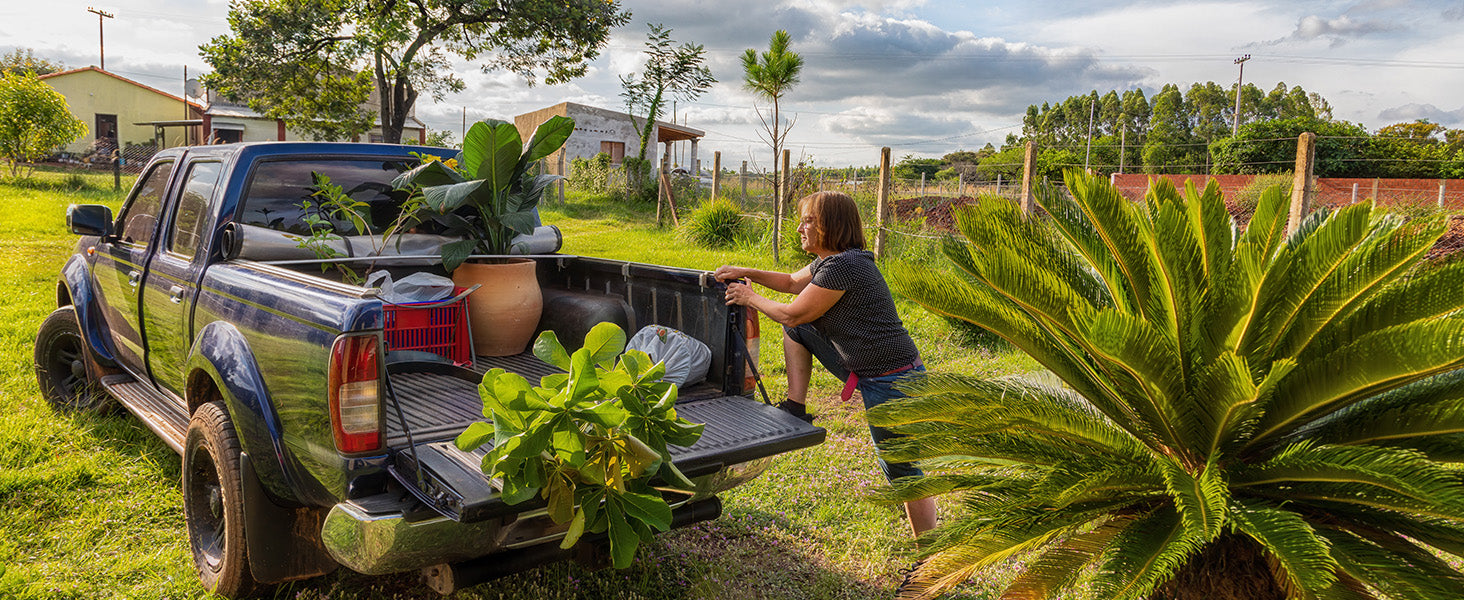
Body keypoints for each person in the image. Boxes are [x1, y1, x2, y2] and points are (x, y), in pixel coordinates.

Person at [714, 190, 937, 537]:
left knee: (902, 470)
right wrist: (748, 272)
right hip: (866, 370)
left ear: (829, 226)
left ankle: (930, 560)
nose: (800, 228)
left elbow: (791, 310)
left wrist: (749, 296)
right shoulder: (831, 263)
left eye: (808, 221)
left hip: (895, 381)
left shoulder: (845, 267)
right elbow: (789, 283)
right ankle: (796, 405)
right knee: (798, 331)